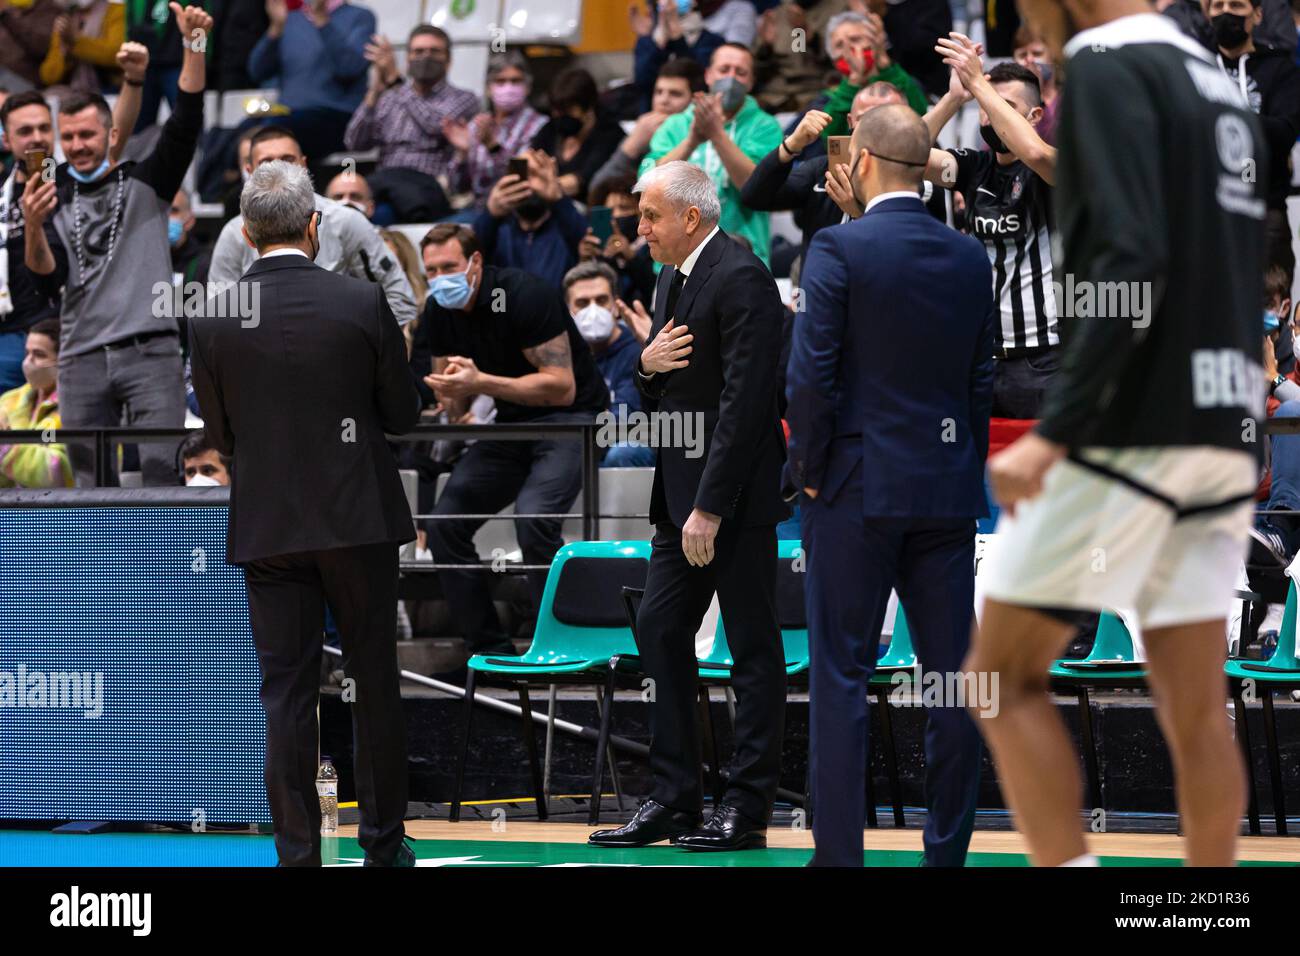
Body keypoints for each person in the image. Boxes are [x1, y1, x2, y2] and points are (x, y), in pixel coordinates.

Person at [969, 2, 1267, 868]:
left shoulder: (1103, 63)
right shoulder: (1211, 76)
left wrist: (1055, 430)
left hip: (1137, 429)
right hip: (1223, 421)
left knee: (997, 676)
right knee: (1193, 705)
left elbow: (1131, 260)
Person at [189, 160, 421, 867]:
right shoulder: (359, 303)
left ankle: (297, 857)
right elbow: (403, 418)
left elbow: (219, 435)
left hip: (269, 526)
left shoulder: (214, 315)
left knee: (286, 696)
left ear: (247, 232)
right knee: (373, 682)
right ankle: (384, 848)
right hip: (359, 520)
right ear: (315, 225)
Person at [787, 104, 994, 867]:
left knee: (841, 677)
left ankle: (839, 860)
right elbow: (980, 377)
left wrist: (807, 472)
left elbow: (810, 376)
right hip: (942, 490)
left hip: (853, 487)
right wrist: (957, 466)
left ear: (863, 161)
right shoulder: (970, 255)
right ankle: (946, 857)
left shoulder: (837, 248)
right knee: (954, 684)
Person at [588, 161, 788, 851]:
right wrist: (644, 366)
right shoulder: (671, 277)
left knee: (753, 650)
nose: (638, 229)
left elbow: (748, 405)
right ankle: (675, 798)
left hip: (730, 501)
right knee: (662, 633)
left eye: (649, 217)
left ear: (690, 218)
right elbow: (663, 390)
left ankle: (747, 809)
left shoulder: (743, 278)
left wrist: (711, 506)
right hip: (678, 501)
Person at [22, 4, 210, 488]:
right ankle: (95, 568)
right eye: (69, 138)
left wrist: (194, 44)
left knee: (161, 477)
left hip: (150, 352)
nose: (79, 145)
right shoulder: (52, 191)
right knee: (88, 484)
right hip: (80, 355)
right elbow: (47, 279)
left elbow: (186, 118)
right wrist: (34, 226)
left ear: (111, 136)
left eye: (87, 134)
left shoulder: (148, 179)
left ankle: (164, 567)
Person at [416, 222, 608, 656]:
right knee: (445, 524)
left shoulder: (524, 294)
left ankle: (563, 647)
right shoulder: (438, 310)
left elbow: (562, 387)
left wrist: (479, 381)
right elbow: (452, 393)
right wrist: (447, 398)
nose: (439, 278)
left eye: (449, 266)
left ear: (475, 262)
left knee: (534, 519)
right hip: (511, 425)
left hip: (571, 420)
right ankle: (490, 650)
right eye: (430, 270)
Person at [923, 48, 1060, 419]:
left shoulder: (1054, 166)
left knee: (1041, 476)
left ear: (1034, 116)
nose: (991, 115)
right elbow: (904, 154)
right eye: (985, 106)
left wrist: (980, 84)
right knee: (978, 471)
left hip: (1044, 360)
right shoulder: (974, 167)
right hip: (980, 354)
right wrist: (955, 97)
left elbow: (1033, 151)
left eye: (1004, 106)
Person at [208, 125, 417, 328]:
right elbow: (217, 314)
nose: (280, 169)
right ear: (250, 172)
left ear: (304, 164)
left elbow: (400, 298)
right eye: (267, 163)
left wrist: (360, 347)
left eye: (288, 160)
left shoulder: (345, 221)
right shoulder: (234, 233)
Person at [641, 43, 784, 267]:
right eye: (724, 69)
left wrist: (716, 134)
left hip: (743, 257)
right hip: (675, 260)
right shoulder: (675, 125)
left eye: (741, 72)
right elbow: (648, 185)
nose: (731, 78)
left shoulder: (765, 126)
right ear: (708, 75)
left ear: (751, 82)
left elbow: (757, 188)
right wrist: (691, 141)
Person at [741, 82, 907, 265]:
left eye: (887, 118)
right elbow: (753, 197)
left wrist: (858, 214)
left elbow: (909, 250)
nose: (876, 128)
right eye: (865, 119)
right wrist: (791, 146)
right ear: (850, 122)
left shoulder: (918, 172)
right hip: (823, 285)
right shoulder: (823, 170)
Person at [342, 25, 477, 225]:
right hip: (385, 187)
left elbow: (433, 126)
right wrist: (374, 94)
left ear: (448, 61)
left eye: (434, 51)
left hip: (427, 191)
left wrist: (396, 81)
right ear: (408, 59)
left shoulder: (464, 98)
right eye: (419, 51)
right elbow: (354, 143)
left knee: (380, 218)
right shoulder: (389, 98)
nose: (425, 57)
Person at [1207, 0, 1300, 270]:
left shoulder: (1280, 70)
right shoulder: (1194, 65)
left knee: (1269, 307)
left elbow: (1284, 132)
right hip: (1206, 213)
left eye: (1236, 5)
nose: (1226, 13)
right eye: (1218, 6)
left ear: (1257, 15)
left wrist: (1217, 116)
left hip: (1266, 210)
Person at [247, 0, 374, 160]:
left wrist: (322, 21)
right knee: (230, 136)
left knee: (273, 136)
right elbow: (257, 72)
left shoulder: (360, 17)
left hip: (336, 117)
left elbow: (349, 68)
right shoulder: (292, 19)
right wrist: (276, 28)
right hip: (287, 114)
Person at [563, 260, 653, 467]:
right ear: (568, 310)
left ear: (615, 305)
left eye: (601, 300)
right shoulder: (561, 352)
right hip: (579, 445)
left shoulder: (637, 349)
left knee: (622, 451)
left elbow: (625, 420)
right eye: (582, 303)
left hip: (633, 444)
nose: (592, 310)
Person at [588, 57, 704, 203]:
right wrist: (633, 144)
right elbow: (597, 190)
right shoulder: (642, 133)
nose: (663, 100)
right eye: (659, 92)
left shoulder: (703, 135)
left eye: (675, 94)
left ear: (696, 100)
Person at [445, 50, 548, 210]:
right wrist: (463, 154)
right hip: (478, 208)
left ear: (527, 87)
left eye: (515, 81)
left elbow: (521, 179)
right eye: (500, 81)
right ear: (488, 88)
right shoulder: (477, 125)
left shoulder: (540, 126)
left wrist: (493, 146)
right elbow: (457, 188)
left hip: (515, 210)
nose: (508, 87)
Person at [475, 149, 587, 290]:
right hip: (503, 309)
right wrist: (490, 214)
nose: (527, 184)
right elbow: (471, 257)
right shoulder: (497, 230)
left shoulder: (567, 224)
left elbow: (591, 249)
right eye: (521, 174)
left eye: (535, 174)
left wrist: (559, 199)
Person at [531, 67, 625, 201]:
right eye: (556, 110)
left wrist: (543, 188)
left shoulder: (610, 135)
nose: (560, 116)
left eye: (568, 110)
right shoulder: (551, 129)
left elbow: (582, 180)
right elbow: (531, 157)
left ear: (589, 106)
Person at [0, 317, 71, 488]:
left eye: (39, 354)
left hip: (56, 511)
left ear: (62, 360)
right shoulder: (8, 401)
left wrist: (4, 447)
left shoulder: (78, 409)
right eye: (27, 353)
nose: (28, 362)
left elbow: (57, 474)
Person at [1013, 25, 1061, 144]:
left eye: (1037, 54)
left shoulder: (1070, 98)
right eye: (1023, 55)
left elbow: (1054, 143)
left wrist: (1036, 93)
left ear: (1053, 58)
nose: (1029, 60)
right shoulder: (1008, 101)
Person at [0, 0, 58, 90]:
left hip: (29, 81)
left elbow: (42, 48)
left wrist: (5, 16)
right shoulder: (11, 10)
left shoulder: (48, 9)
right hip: (6, 75)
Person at [169, 188, 210, 287]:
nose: (167, 217)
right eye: (162, 211)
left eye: (174, 211)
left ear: (190, 221)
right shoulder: (145, 261)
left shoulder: (204, 265)